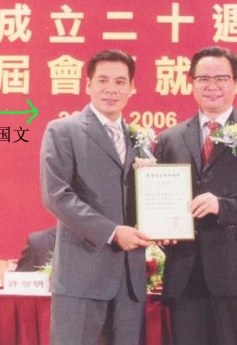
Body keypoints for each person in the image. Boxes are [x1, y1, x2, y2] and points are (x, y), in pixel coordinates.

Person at [154, 46, 237, 345]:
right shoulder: (169, 139)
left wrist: (222, 206)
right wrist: (161, 229)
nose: (211, 86)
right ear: (191, 83)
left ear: (236, 82)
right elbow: (160, 197)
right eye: (203, 79)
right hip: (185, 271)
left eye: (221, 78)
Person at [41, 49, 152, 345]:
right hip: (82, 275)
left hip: (129, 279)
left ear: (132, 88)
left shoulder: (138, 138)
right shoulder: (64, 130)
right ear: (88, 85)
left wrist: (163, 226)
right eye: (102, 80)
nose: (111, 89)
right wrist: (112, 232)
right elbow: (56, 195)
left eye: (120, 82)